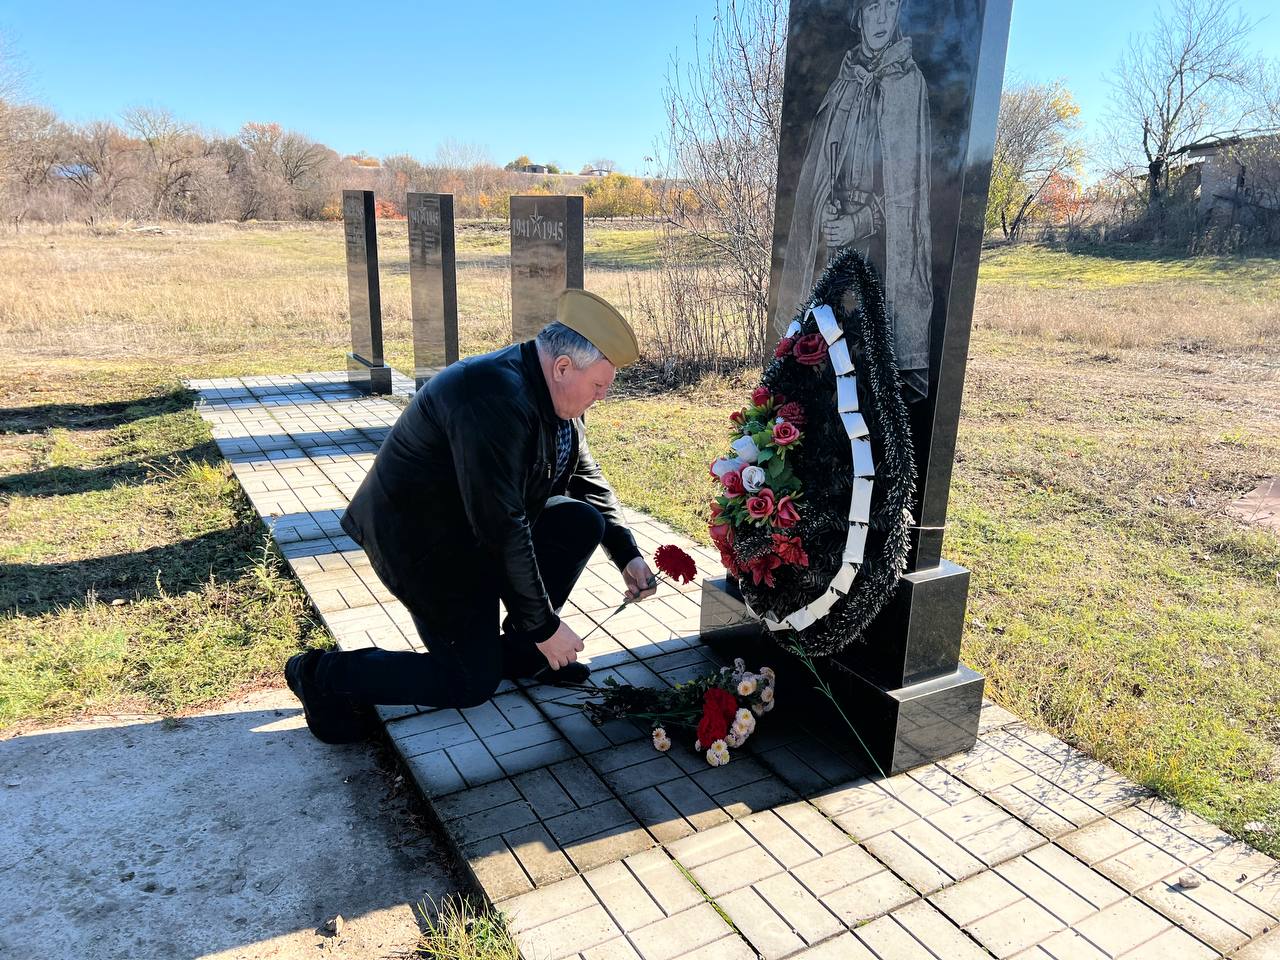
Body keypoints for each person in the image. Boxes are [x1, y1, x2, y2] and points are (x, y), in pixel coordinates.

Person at [286, 289, 657, 743]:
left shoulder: (555, 391)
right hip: (422, 543)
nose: (602, 396)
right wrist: (546, 626)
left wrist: (627, 554)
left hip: (473, 529)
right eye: (599, 386)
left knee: (581, 520)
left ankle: (523, 654)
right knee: (469, 681)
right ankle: (320, 673)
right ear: (563, 367)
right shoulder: (490, 399)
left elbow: (584, 475)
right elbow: (503, 528)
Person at [773, 0, 934, 402]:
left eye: (890, 6)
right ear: (858, 16)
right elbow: (818, 169)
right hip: (830, 247)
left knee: (865, 364)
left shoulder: (908, 83)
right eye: (872, 7)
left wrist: (859, 222)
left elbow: (910, 190)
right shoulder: (843, 82)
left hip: (879, 253)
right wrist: (824, 206)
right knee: (822, 363)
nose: (881, 18)